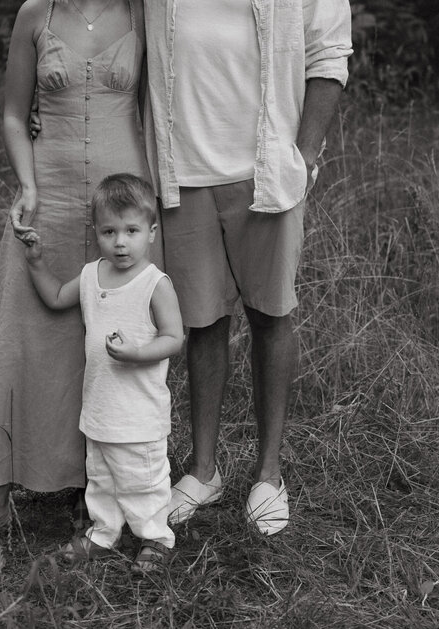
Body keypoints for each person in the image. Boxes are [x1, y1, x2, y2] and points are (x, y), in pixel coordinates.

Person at [0, 0, 159, 553]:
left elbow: (159, 114)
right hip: (52, 199)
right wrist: (28, 186)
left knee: (113, 341)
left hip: (124, 210)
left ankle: (102, 488)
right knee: (26, 336)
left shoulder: (143, 13)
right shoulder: (35, 14)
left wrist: (156, 208)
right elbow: (15, 115)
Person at [141, 0, 353, 534]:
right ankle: (204, 470)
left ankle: (268, 475)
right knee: (202, 322)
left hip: (265, 169)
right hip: (182, 169)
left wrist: (302, 159)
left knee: (271, 315)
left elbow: (328, 57)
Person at [22, 173, 183, 572]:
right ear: (96, 232)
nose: (121, 241)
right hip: (99, 408)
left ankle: (154, 537)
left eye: (131, 230)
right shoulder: (92, 275)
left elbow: (174, 337)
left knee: (141, 478)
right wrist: (37, 262)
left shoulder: (154, 284)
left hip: (139, 412)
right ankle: (103, 533)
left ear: (151, 232)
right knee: (103, 478)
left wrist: (138, 353)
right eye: (110, 231)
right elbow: (58, 297)